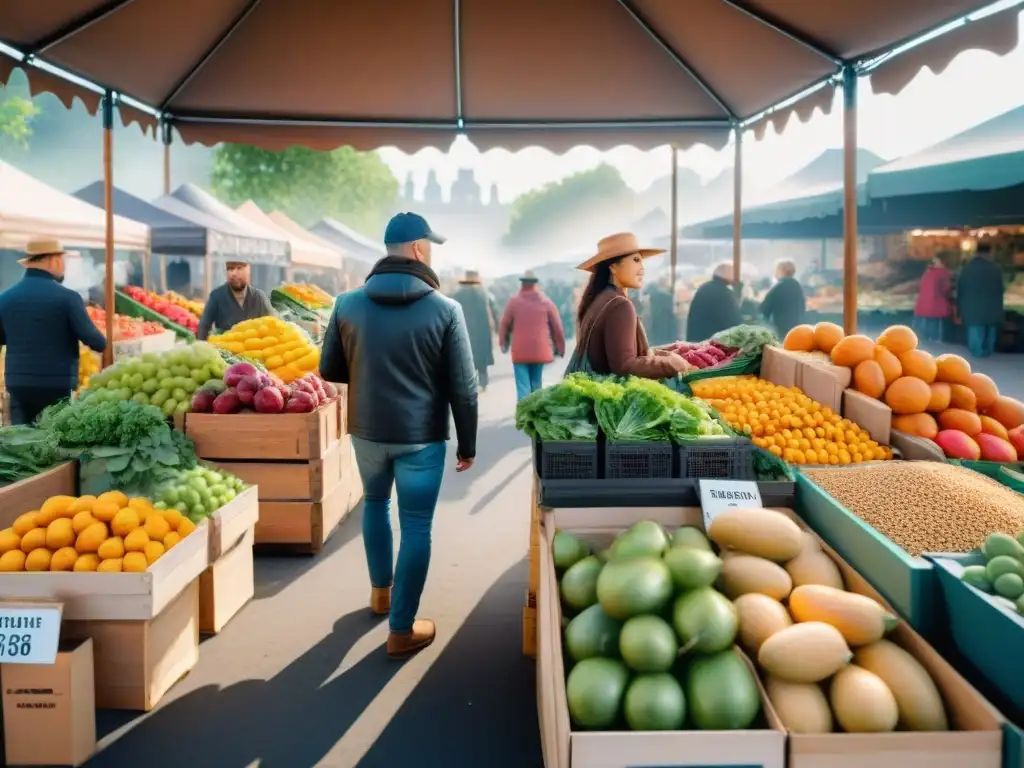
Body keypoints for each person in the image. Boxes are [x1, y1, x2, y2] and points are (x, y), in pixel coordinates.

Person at [318, 212, 478, 659]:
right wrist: (467, 444)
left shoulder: (346, 304)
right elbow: (463, 388)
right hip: (421, 437)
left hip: (366, 432)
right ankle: (401, 630)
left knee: (373, 504)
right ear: (419, 249)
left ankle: (380, 594)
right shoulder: (446, 310)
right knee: (416, 525)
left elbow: (329, 369)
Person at [0, 237, 107, 424]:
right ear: (53, 260)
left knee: (20, 443)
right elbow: (96, 342)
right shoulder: (68, 298)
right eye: (62, 260)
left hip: (18, 385)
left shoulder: (5, 298)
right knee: (53, 441)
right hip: (56, 386)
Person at [568, 233, 688, 379]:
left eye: (641, 261)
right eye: (636, 260)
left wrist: (657, 354)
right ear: (613, 267)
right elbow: (624, 366)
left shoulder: (602, 298)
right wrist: (672, 365)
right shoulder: (619, 305)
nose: (642, 268)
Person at [499, 270, 566, 400]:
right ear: (535, 284)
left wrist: (503, 342)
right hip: (539, 350)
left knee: (523, 387)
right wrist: (560, 347)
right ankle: (535, 415)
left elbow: (504, 324)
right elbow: (557, 327)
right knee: (536, 384)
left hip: (520, 351)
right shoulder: (546, 302)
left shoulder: (514, 302)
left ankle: (523, 416)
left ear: (522, 284)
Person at [196, 260, 275, 340]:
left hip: (255, 349)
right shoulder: (216, 296)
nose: (234, 274)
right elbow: (204, 326)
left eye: (239, 268)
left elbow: (272, 325)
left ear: (248, 271)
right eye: (230, 269)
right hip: (225, 349)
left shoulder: (259, 297)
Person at [957, 243, 1005, 358]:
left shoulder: (967, 268)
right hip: (992, 305)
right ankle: (988, 351)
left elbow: (960, 288)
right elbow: (1001, 288)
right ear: (989, 252)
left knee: (975, 330)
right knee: (990, 330)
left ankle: (978, 353)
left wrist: (960, 307)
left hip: (972, 305)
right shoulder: (995, 268)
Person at [451, 270, 496, 392]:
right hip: (482, 330)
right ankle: (483, 382)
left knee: (466, 356)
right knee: (481, 357)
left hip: (466, 328)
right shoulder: (482, 293)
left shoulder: (458, 294)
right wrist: (493, 326)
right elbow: (490, 312)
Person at [686, 262, 742, 342]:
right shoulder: (724, 293)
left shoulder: (705, 287)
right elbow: (734, 321)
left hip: (698, 338)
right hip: (711, 342)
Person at [759, 259, 806, 338]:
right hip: (796, 327)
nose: (774, 273)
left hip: (781, 329)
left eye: (776, 269)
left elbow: (764, 308)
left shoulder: (780, 286)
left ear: (782, 270)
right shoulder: (797, 285)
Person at [913, 256, 952, 342]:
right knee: (936, 327)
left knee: (925, 327)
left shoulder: (928, 272)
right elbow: (946, 289)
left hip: (923, 303)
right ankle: (935, 342)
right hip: (936, 304)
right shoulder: (943, 273)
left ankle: (926, 342)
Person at [647, 276, 678, 346]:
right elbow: (672, 315)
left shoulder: (653, 295)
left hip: (657, 327)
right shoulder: (668, 296)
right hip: (666, 329)